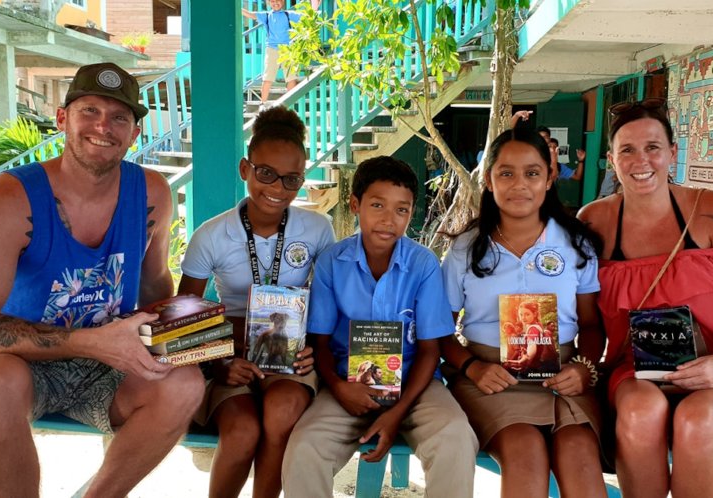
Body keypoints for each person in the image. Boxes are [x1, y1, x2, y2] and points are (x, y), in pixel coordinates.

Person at [0, 62, 206, 498]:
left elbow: (155, 286)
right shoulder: (10, 197)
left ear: (135, 132)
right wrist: (92, 341)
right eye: (90, 111)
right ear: (63, 119)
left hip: (107, 366)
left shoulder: (152, 193)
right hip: (16, 360)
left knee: (184, 383)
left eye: (120, 117)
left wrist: (184, 335)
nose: (104, 126)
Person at [576, 98, 713, 498]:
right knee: (637, 411)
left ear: (672, 153)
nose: (641, 160)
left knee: (697, 419)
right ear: (611, 159)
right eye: (627, 150)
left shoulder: (709, 210)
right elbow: (586, 318)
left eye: (652, 147)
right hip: (637, 374)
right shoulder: (593, 221)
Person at [281, 156, 477, 497]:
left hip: (415, 386)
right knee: (304, 448)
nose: (389, 220)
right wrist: (341, 389)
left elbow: (431, 350)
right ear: (355, 205)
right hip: (346, 384)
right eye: (377, 205)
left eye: (402, 210)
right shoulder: (332, 262)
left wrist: (397, 412)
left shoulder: (424, 264)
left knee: (456, 437)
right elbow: (320, 342)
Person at [441, 127, 608, 497]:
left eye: (532, 173)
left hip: (562, 376)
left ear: (549, 179)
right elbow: (440, 332)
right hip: (491, 379)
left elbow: (592, 325)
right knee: (524, 451)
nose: (519, 184)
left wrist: (584, 368)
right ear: (488, 180)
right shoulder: (466, 248)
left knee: (579, 453)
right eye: (506, 173)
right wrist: (473, 367)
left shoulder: (576, 244)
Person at [177, 106, 335, 498]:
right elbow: (182, 318)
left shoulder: (317, 229)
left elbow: (330, 301)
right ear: (245, 169)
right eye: (266, 174)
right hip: (231, 355)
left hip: (289, 354)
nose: (278, 188)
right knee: (243, 430)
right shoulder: (211, 235)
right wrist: (220, 362)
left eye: (291, 179)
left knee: (282, 413)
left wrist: (312, 350)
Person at [242, 0, 322, 107]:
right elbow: (250, 14)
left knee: (291, 77)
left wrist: (314, 8)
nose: (275, 3)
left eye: (278, 1)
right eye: (272, 1)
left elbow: (306, 18)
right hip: (272, 49)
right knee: (267, 78)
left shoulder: (288, 15)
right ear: (269, 3)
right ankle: (262, 104)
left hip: (288, 49)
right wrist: (237, 8)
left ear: (283, 2)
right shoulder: (266, 15)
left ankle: (290, 103)